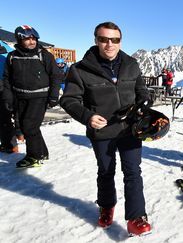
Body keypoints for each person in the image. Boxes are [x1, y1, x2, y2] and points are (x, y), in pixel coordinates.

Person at [60, 21, 152, 236]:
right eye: (104, 39)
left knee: (132, 171)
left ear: (120, 41)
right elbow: (69, 100)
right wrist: (87, 116)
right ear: (96, 40)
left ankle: (136, 217)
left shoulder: (132, 64)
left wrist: (145, 103)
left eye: (115, 39)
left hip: (130, 129)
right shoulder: (80, 69)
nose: (109, 44)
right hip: (102, 132)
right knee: (106, 171)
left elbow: (143, 91)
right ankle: (106, 206)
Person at [2, 25, 62, 166]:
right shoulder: (12, 56)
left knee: (29, 127)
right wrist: (8, 97)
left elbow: (56, 75)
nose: (32, 41)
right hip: (20, 97)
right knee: (26, 125)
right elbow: (6, 78)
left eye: (33, 38)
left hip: (39, 97)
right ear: (19, 39)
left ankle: (34, 156)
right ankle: (42, 152)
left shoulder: (44, 55)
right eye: (27, 39)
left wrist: (54, 95)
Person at [0, 42, 18, 153]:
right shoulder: (7, 48)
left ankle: (11, 145)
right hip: (7, 85)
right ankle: (9, 144)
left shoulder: (5, 50)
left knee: (4, 117)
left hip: (4, 85)